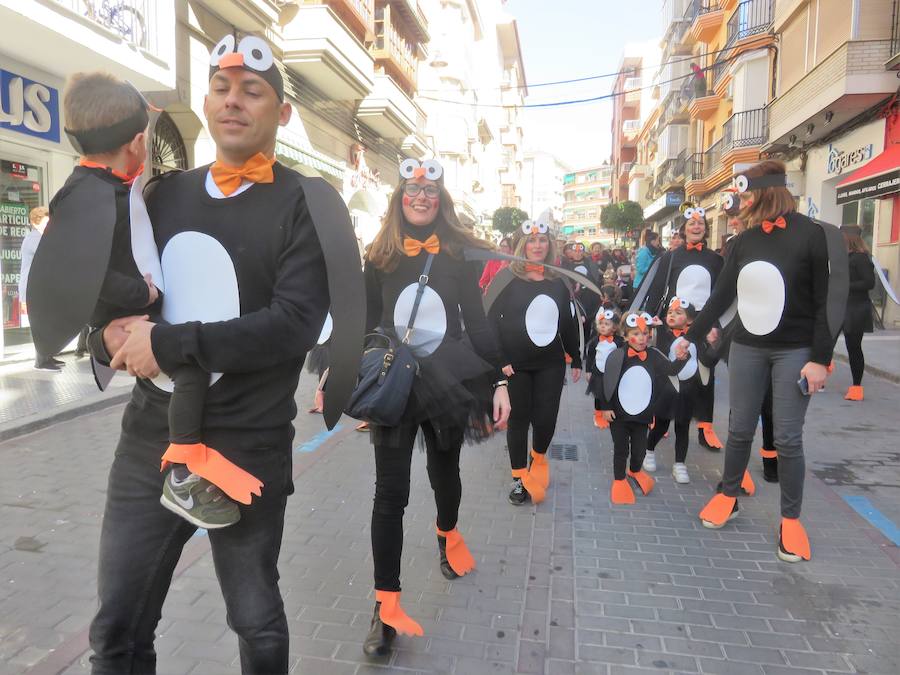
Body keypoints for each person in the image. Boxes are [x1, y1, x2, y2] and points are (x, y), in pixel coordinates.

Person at [80, 34, 362, 673]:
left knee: (256, 621)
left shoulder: (306, 203)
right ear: (206, 102)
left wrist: (171, 344)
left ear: (281, 112)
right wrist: (108, 336)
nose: (234, 101)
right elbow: (118, 294)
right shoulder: (162, 194)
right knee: (117, 626)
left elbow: (292, 324)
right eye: (222, 88)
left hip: (245, 445)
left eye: (253, 91)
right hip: (149, 443)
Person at [31, 71, 260, 531]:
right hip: (130, 312)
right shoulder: (90, 195)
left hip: (129, 316)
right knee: (190, 369)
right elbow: (83, 272)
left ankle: (185, 463)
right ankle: (182, 470)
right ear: (138, 144)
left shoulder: (101, 187)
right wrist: (144, 294)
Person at [361, 158, 511, 655]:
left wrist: (500, 380)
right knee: (390, 494)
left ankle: (448, 534)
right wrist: (340, 379)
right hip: (396, 381)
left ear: (441, 199)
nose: (421, 196)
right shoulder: (379, 254)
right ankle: (385, 606)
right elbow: (362, 321)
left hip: (448, 377)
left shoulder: (456, 255)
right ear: (399, 197)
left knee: (444, 473)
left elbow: (478, 320)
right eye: (412, 189)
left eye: (430, 189)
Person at [676, 160, 846, 563]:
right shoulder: (744, 241)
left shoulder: (813, 236)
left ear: (768, 193)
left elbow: (826, 303)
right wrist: (691, 337)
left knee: (787, 438)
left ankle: (791, 519)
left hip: (795, 351)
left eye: (747, 194)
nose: (742, 201)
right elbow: (720, 297)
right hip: (748, 347)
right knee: (738, 429)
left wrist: (821, 360)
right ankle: (728, 494)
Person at [487, 224, 581, 505]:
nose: (537, 246)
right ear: (522, 246)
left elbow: (567, 321)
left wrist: (575, 356)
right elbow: (489, 321)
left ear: (549, 245)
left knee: (546, 420)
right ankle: (519, 478)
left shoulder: (558, 281)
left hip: (550, 363)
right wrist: (499, 360)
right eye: (532, 241)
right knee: (518, 420)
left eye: (542, 240)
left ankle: (537, 459)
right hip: (514, 365)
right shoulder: (506, 278)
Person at [641, 204, 725, 450]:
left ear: (706, 229)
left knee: (704, 375)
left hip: (704, 324)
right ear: (684, 229)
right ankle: (661, 416)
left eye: (701, 223)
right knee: (670, 371)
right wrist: (648, 319)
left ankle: (705, 427)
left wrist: (716, 325)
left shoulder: (716, 260)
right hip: (674, 323)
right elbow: (657, 289)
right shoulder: (671, 257)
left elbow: (721, 294)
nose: (696, 226)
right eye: (692, 223)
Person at [596, 311, 685, 504]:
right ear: (626, 336)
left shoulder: (653, 356)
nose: (641, 338)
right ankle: (619, 480)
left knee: (640, 450)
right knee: (621, 449)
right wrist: (606, 407)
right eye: (636, 333)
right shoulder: (618, 355)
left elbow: (671, 370)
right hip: (618, 415)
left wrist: (681, 358)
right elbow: (606, 382)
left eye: (645, 334)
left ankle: (634, 471)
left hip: (643, 415)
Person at [643, 297, 718, 484]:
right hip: (667, 390)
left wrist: (712, 344)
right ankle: (649, 451)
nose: (672, 316)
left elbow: (707, 361)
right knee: (660, 425)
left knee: (682, 428)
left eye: (678, 313)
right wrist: (657, 329)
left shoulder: (698, 339)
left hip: (688, 391)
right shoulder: (664, 335)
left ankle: (679, 464)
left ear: (690, 320)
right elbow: (659, 355)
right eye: (670, 312)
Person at [19, 206, 64, 372]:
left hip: (42, 288)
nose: (50, 223)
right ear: (36, 223)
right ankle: (41, 361)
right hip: (33, 289)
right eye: (47, 221)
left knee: (48, 323)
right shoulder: (33, 239)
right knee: (40, 324)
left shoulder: (43, 237)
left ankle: (48, 356)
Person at [839, 225, 875, 401]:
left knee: (853, 347)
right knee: (825, 339)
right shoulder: (845, 257)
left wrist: (846, 286)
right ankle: (820, 374)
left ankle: (856, 387)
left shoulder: (860, 258)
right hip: (841, 307)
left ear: (848, 238)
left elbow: (869, 282)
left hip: (856, 309)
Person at [585, 307, 624, 429]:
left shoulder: (619, 342)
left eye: (606, 324)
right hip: (598, 373)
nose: (602, 326)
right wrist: (588, 371)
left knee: (610, 392)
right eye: (600, 323)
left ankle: (609, 412)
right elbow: (590, 356)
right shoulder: (595, 341)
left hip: (612, 374)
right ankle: (598, 414)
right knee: (598, 394)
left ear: (614, 327)